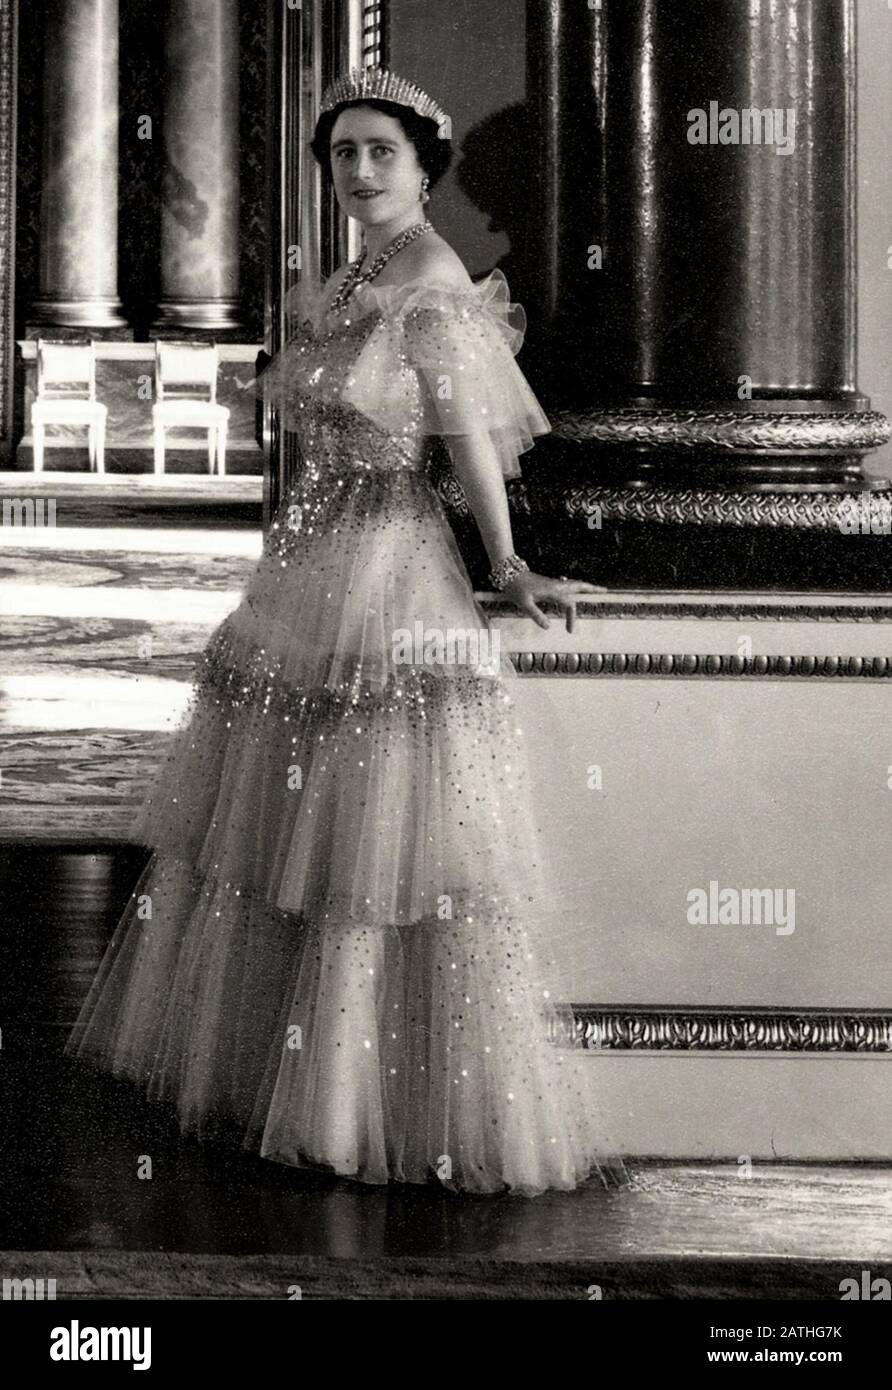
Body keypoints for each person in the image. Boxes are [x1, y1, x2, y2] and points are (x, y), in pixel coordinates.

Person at [65, 67, 641, 1197]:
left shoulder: (426, 275)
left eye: (382, 151)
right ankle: (272, 1075)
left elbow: (468, 432)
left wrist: (508, 562)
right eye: (344, 153)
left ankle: (358, 1103)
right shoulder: (345, 275)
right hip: (308, 559)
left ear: (424, 166)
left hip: (386, 557)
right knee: (285, 822)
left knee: (375, 836)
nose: (361, 171)